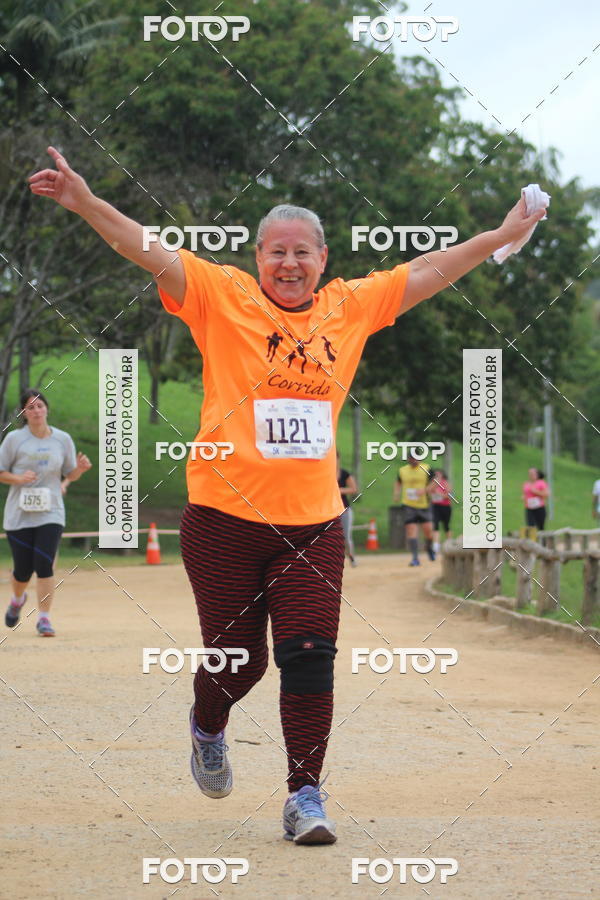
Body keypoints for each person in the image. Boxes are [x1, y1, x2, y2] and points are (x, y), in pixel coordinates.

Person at [29, 144, 546, 844]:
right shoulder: (220, 295)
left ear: (323, 260)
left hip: (312, 525)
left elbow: (432, 267)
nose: (290, 264)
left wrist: (504, 233)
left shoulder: (350, 308)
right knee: (237, 661)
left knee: (308, 655)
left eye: (303, 252)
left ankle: (305, 794)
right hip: (222, 520)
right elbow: (147, 248)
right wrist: (86, 202)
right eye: (277, 252)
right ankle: (207, 721)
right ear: (257, 256)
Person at [0, 389, 92, 637]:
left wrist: (80, 470)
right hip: (19, 514)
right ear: (23, 413)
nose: (36, 411)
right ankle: (17, 599)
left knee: (44, 563)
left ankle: (43, 618)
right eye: (30, 407)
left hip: (51, 512)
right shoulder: (13, 440)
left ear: (47, 409)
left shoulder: (62, 439)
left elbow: (69, 473)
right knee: (22, 569)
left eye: (40, 406)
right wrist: (18, 478)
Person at [394, 452, 435, 565]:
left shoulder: (426, 468)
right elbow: (398, 482)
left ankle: (429, 547)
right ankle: (415, 558)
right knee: (411, 531)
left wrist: (425, 490)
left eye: (416, 458)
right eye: (411, 458)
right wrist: (397, 493)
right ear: (408, 459)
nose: (413, 460)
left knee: (428, 532)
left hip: (424, 505)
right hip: (408, 505)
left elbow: (434, 482)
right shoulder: (402, 470)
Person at [336, 451, 358, 567]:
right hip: (330, 511)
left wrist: (340, 490)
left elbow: (354, 489)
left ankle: (352, 557)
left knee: (346, 536)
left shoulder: (344, 474)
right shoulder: (325, 474)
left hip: (344, 508)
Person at [427, 468, 453, 553]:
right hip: (436, 506)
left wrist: (439, 494)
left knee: (446, 525)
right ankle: (436, 545)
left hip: (445, 507)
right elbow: (428, 492)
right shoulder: (432, 484)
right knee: (435, 525)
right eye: (436, 475)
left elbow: (448, 495)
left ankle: (450, 543)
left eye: (439, 475)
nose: (437, 477)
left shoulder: (445, 483)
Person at [522, 467, 550, 531]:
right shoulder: (526, 484)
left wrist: (536, 492)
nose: (531, 475)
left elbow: (547, 494)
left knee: (540, 526)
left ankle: (542, 540)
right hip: (529, 508)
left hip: (539, 508)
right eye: (529, 474)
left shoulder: (541, 483)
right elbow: (526, 494)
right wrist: (524, 497)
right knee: (530, 526)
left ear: (537, 474)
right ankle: (532, 540)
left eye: (532, 474)